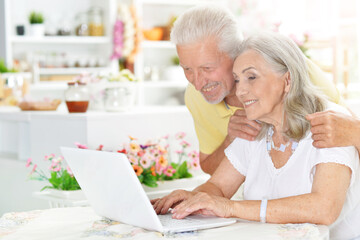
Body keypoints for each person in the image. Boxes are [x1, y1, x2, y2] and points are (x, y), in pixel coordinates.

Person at [152, 32, 360, 240]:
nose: (241, 91)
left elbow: (324, 208)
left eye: (251, 77)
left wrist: (231, 207)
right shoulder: (254, 126)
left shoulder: (332, 124)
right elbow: (218, 187)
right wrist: (191, 199)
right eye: (237, 79)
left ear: (287, 80)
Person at [170, 5, 359, 175]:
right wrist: (230, 140)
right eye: (187, 69)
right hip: (250, 203)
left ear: (236, 55)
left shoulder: (291, 69)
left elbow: (349, 129)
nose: (197, 83)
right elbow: (209, 168)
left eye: (207, 68)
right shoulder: (195, 96)